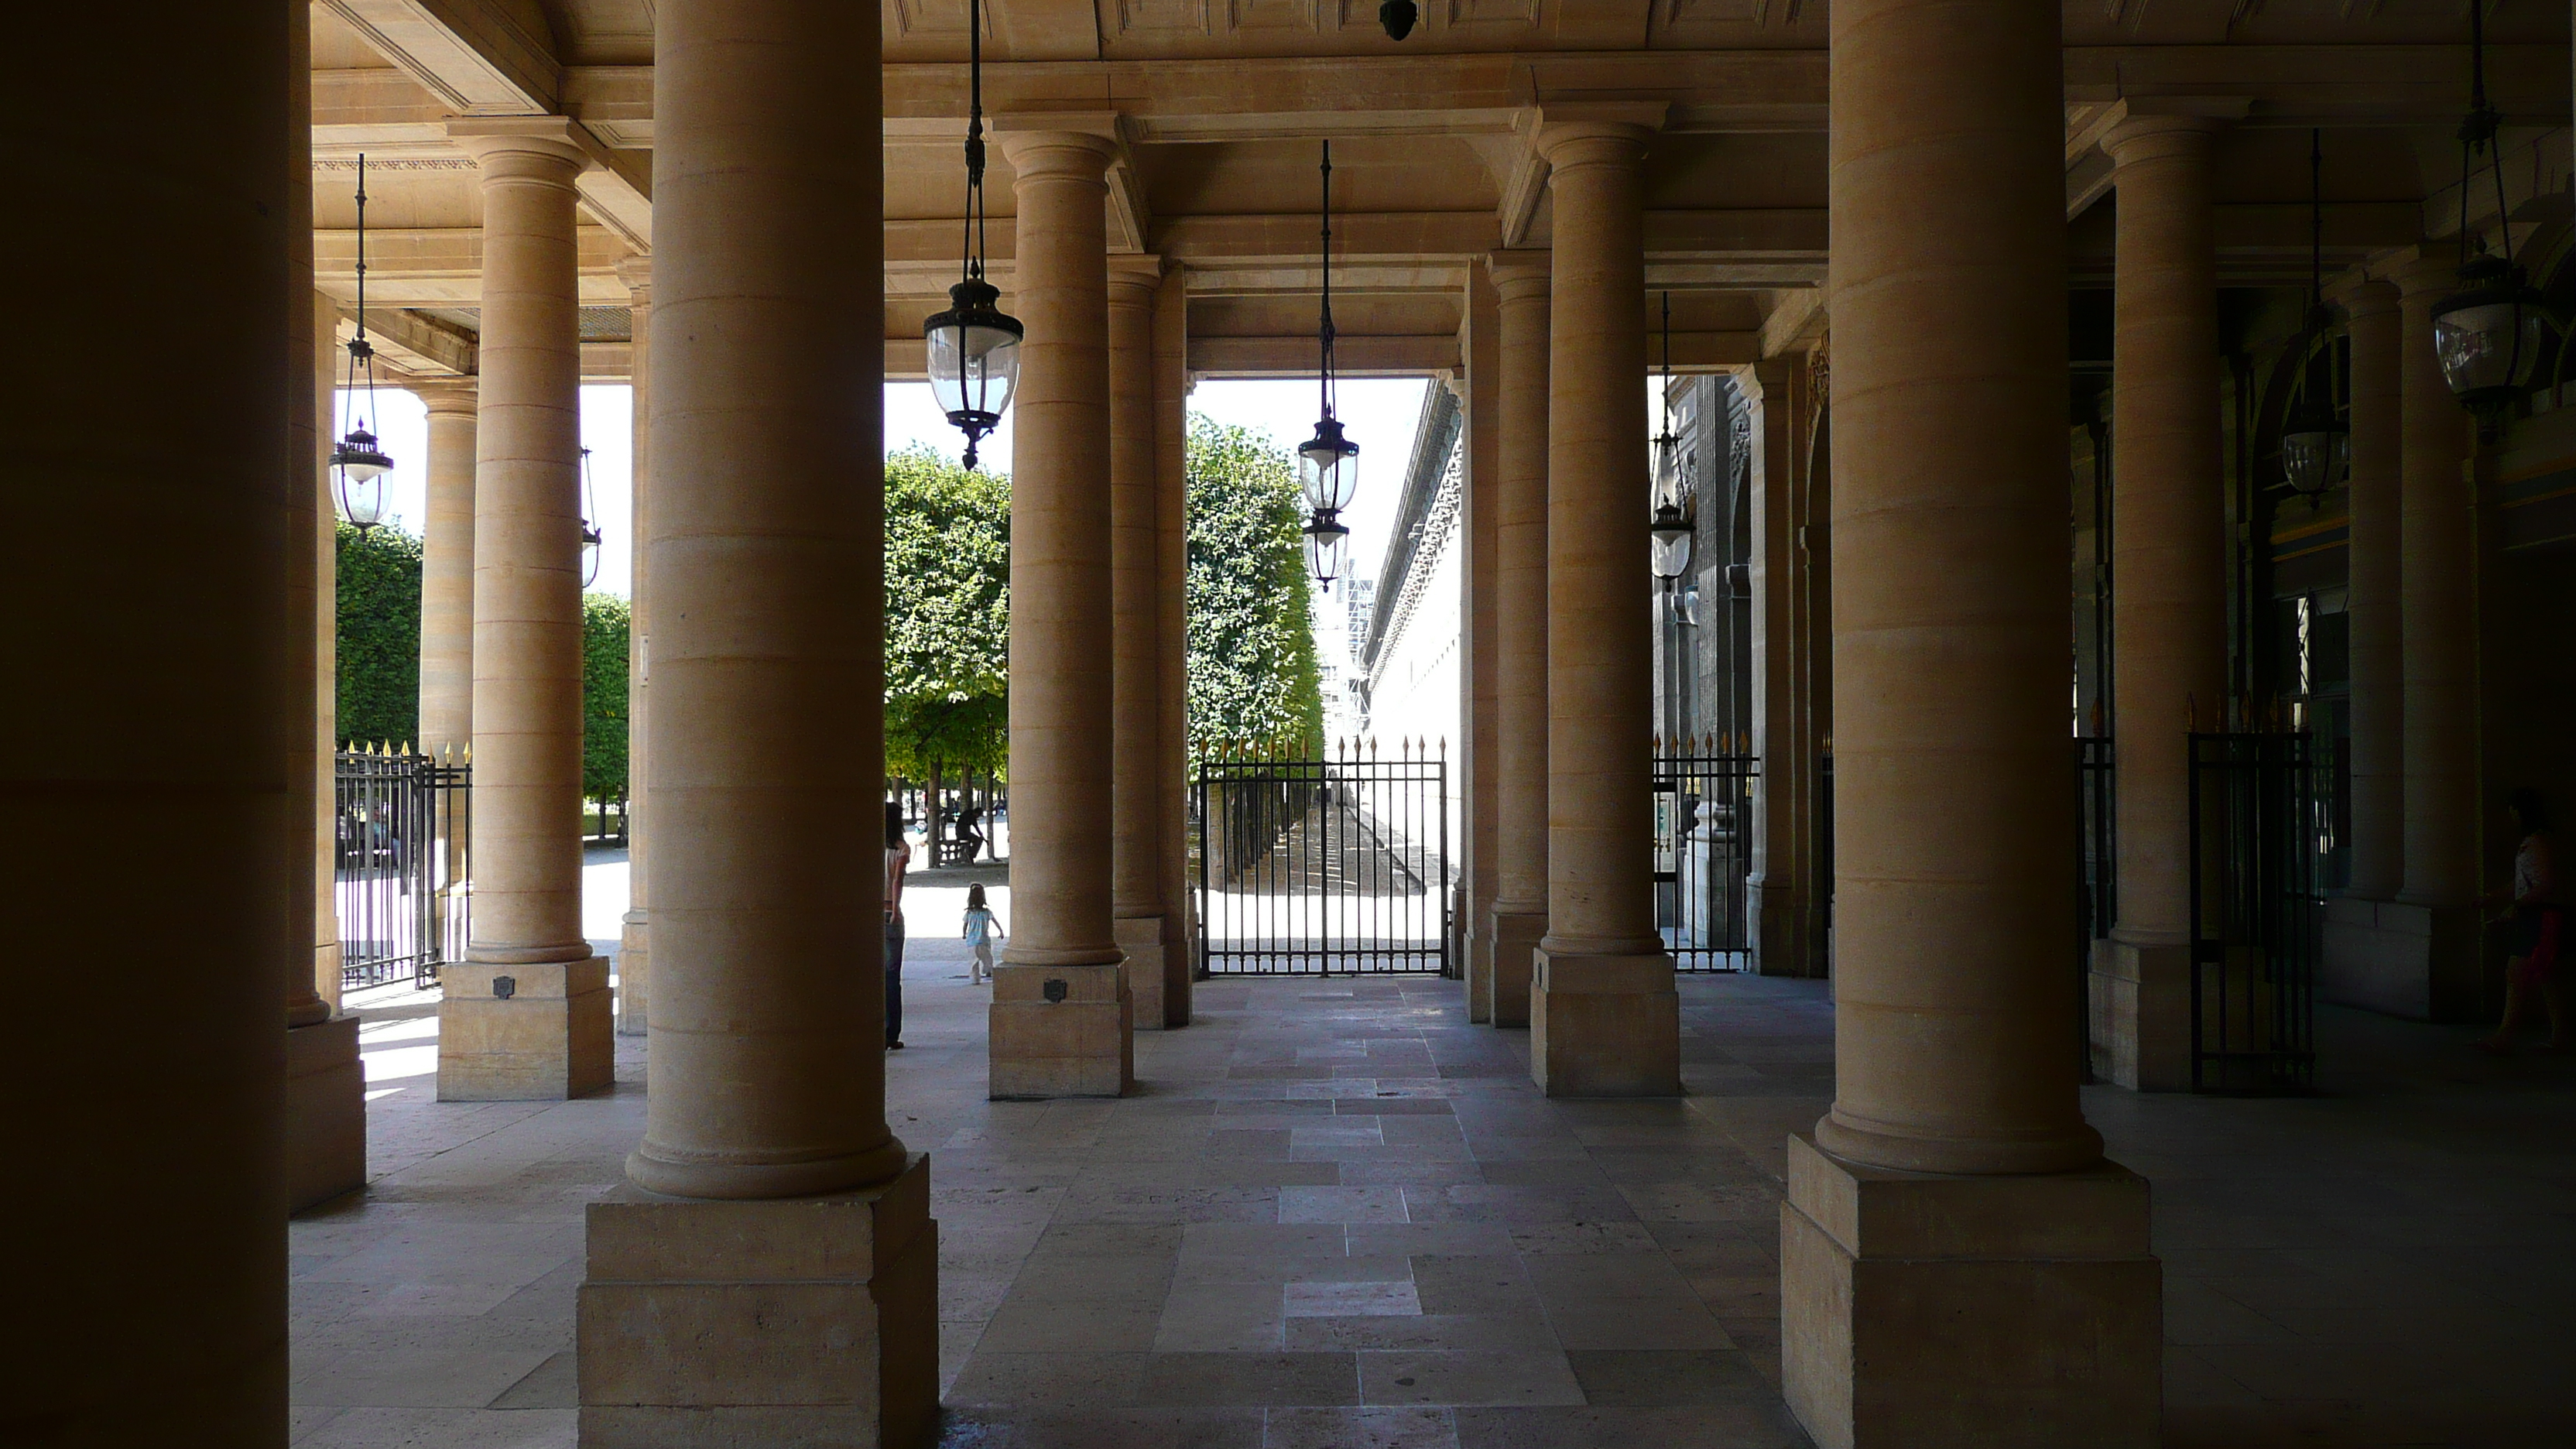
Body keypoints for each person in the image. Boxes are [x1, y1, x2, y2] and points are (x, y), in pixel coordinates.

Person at [2478, 786, 2563, 1054]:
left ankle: (2506, 1035)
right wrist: (2495, 897)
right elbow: (2526, 882)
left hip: (2537, 915)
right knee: (2544, 975)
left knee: (2518, 973)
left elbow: (2542, 884)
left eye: (2513, 810)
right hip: (2538, 914)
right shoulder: (2538, 841)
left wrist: (2516, 905)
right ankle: (2558, 1035)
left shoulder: (2536, 843)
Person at [884, 800, 911, 1050]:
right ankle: (891, 1032)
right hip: (889, 912)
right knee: (892, 976)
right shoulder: (902, 849)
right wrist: (895, 910)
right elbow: (897, 880)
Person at [961, 882, 1004, 986]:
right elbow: (995, 921)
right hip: (984, 941)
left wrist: (964, 934)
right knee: (988, 959)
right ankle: (988, 971)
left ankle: (975, 980)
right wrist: (1001, 931)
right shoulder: (987, 912)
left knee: (973, 963)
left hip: (971, 942)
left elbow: (965, 925)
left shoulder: (969, 913)